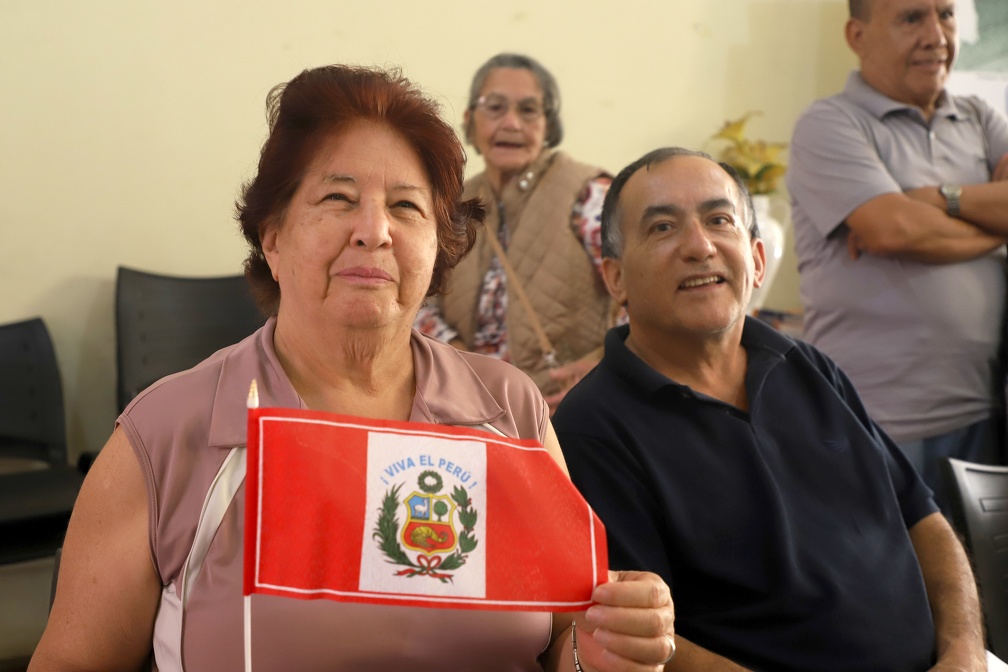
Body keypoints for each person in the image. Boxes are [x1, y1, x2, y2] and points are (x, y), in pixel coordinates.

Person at [29, 65, 675, 672]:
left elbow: (563, 638)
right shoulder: (169, 432)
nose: (374, 231)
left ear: (438, 248)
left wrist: (601, 648)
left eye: (406, 207)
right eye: (338, 198)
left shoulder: (509, 410)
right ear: (273, 237)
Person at [553, 147, 987, 671]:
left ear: (756, 259)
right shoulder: (591, 427)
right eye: (663, 227)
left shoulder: (808, 367)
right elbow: (636, 638)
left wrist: (964, 652)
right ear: (615, 278)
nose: (700, 246)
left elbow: (925, 519)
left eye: (719, 220)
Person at [787, 0, 1008, 507]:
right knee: (890, 585)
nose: (937, 35)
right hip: (874, 424)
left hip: (982, 419)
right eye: (912, 18)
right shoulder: (829, 124)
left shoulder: (977, 116)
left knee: (977, 585)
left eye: (947, 14)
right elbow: (895, 230)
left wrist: (944, 199)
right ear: (857, 35)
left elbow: (907, 225)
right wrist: (994, 227)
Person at [415, 53, 614, 413]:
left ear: (549, 125)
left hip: (568, 411)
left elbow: (642, 292)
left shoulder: (588, 193)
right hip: (469, 409)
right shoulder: (452, 203)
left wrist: (605, 368)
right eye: (494, 108)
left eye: (528, 110)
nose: (511, 123)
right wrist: (461, 362)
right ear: (470, 122)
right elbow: (419, 299)